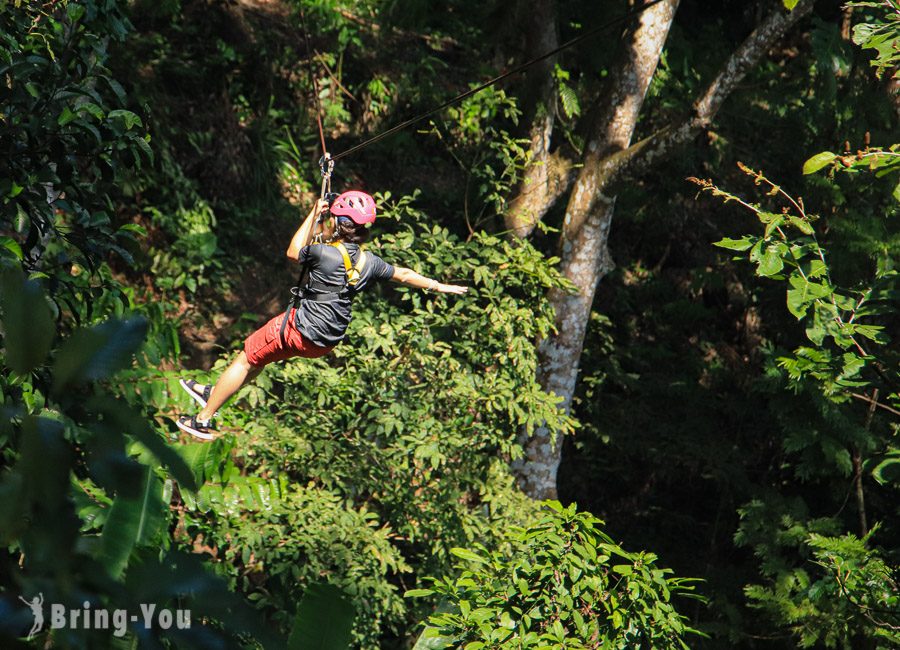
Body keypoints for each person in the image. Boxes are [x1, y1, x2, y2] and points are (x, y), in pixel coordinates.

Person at [176, 190, 468, 439]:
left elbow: (293, 251)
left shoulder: (323, 253)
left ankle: (203, 419)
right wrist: (438, 285)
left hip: (298, 329)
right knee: (260, 358)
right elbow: (402, 274)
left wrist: (314, 211)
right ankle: (215, 391)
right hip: (324, 342)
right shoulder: (370, 262)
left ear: (339, 223)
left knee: (245, 358)